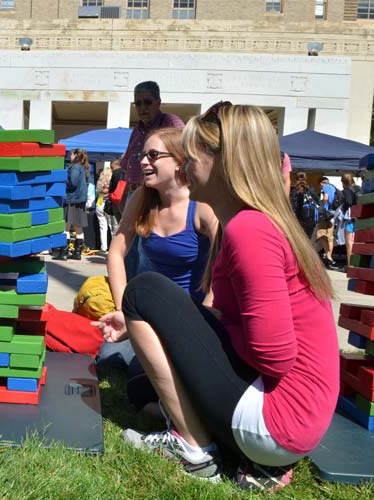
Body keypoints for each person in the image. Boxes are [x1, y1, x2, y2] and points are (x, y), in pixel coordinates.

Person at [96, 103, 338, 491]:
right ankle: (252, 457)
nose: (186, 167)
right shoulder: (254, 222)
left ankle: (195, 449)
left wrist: (194, 329)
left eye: (191, 157)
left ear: (223, 163)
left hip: (279, 418)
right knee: (142, 389)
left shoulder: (250, 230)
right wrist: (194, 329)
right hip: (293, 418)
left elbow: (274, 356)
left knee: (144, 291)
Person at [101, 127, 218, 408]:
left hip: (192, 319)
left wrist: (207, 326)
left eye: (153, 155)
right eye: (143, 155)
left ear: (179, 160)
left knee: (141, 381)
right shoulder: (143, 198)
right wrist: (125, 311)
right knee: (107, 355)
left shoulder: (201, 207)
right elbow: (116, 253)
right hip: (153, 316)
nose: (143, 162)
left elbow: (222, 272)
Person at [119, 81, 184, 278]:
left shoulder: (171, 123)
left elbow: (185, 153)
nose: (142, 108)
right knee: (127, 249)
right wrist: (125, 196)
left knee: (146, 251)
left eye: (147, 102)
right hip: (134, 194)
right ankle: (128, 295)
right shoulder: (137, 130)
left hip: (156, 196)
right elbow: (127, 163)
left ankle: (144, 297)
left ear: (158, 102)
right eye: (137, 103)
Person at [54, 148, 89, 261]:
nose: (70, 156)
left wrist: (63, 180)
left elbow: (72, 183)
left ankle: (63, 253)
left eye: (71, 154)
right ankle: (77, 253)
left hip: (71, 199)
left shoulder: (75, 167)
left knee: (66, 226)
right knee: (78, 228)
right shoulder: (83, 168)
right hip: (80, 200)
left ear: (76, 155)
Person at [315, 176, 338, 269]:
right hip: (333, 214)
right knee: (330, 237)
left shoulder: (325, 187)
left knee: (320, 234)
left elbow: (325, 198)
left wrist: (321, 204)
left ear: (321, 183)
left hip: (325, 214)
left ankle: (328, 256)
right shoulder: (333, 187)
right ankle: (329, 256)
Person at [289, 171, 320, 239]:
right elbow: (318, 201)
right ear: (306, 178)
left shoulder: (295, 190)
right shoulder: (311, 189)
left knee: (299, 238)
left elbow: (294, 205)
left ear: (296, 179)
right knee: (308, 238)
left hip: (300, 217)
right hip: (312, 217)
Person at [94, 162, 116, 252]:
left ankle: (104, 247)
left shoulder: (100, 182)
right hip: (109, 205)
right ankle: (113, 247)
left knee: (102, 227)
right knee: (113, 226)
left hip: (100, 204)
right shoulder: (112, 182)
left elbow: (97, 192)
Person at [340, 172, 359, 267]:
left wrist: (344, 208)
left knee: (349, 243)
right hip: (361, 217)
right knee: (358, 242)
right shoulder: (358, 188)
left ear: (343, 182)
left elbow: (348, 202)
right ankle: (357, 264)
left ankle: (350, 265)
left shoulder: (347, 190)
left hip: (351, 218)